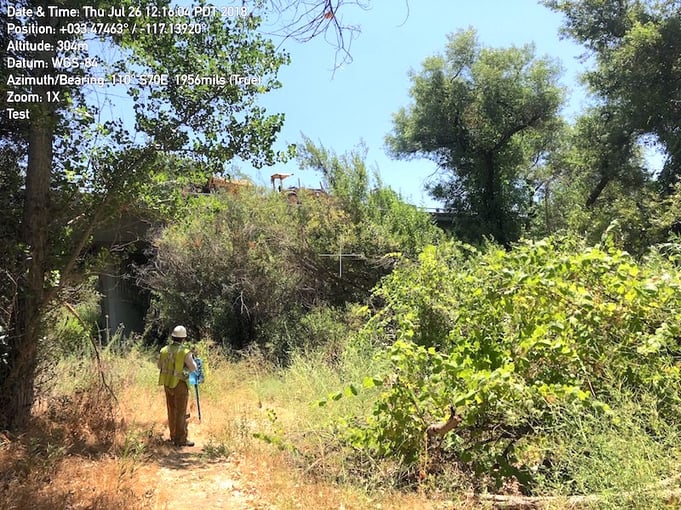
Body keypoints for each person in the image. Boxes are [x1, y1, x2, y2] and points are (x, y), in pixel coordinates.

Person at [158, 325, 197, 447]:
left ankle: (173, 435)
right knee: (181, 412)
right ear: (183, 338)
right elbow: (193, 367)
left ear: (172, 337)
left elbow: (159, 366)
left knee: (171, 410)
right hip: (179, 384)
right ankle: (181, 439)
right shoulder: (185, 352)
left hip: (167, 383)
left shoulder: (164, 350)